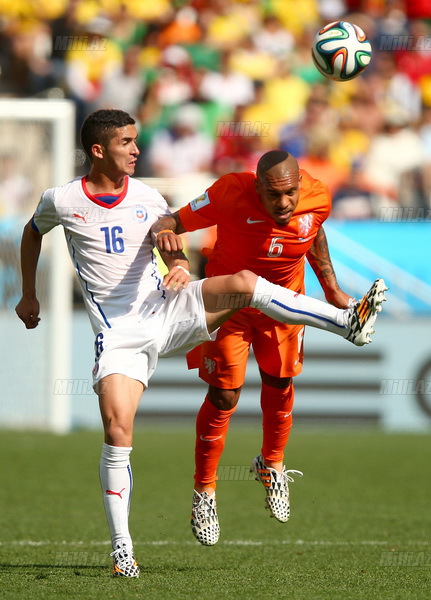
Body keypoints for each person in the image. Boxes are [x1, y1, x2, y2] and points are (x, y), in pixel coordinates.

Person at [16, 111, 386, 578]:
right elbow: (32, 233)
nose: (136, 149)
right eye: (128, 142)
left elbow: (169, 237)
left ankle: (345, 322)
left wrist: (179, 264)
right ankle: (123, 551)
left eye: (135, 141)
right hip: (121, 336)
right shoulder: (62, 200)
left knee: (248, 286)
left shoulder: (149, 196)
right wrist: (29, 292)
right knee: (117, 432)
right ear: (98, 150)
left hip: (169, 308)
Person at [151, 149, 388, 547]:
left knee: (280, 384)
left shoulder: (318, 196)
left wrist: (331, 289)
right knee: (225, 396)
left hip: (286, 305)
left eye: (290, 193)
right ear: (257, 185)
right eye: (273, 195)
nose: (284, 204)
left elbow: (313, 231)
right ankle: (204, 492)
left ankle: (271, 463)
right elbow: (171, 221)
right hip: (231, 306)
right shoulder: (228, 192)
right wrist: (170, 245)